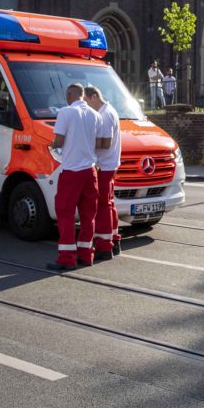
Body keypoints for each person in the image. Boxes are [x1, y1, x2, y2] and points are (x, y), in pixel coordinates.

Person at [47, 83, 100, 271]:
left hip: (72, 170)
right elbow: (97, 141)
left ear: (70, 95)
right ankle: (86, 255)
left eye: (66, 96)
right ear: (83, 95)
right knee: (88, 214)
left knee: (65, 212)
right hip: (90, 171)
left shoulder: (66, 112)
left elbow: (59, 140)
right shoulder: (95, 115)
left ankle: (67, 258)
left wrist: (52, 144)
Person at [84, 86, 121, 260]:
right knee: (109, 203)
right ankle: (113, 238)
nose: (86, 106)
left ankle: (104, 245)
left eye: (86, 101)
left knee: (102, 205)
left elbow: (105, 143)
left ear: (93, 97)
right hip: (110, 164)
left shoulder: (105, 115)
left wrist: (85, 143)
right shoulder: (109, 110)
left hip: (104, 165)